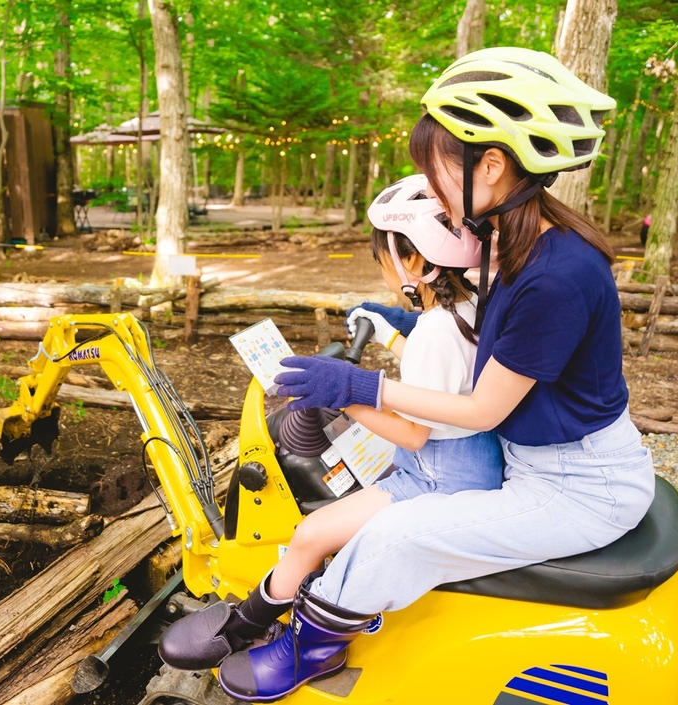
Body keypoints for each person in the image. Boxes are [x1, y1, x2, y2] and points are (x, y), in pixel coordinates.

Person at [214, 47, 655, 702]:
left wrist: (359, 387)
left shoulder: (553, 275)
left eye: (436, 169)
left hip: (576, 486)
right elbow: (481, 329)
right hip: (550, 462)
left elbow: (482, 409)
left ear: (494, 166)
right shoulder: (516, 244)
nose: (431, 187)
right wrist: (401, 316)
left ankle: (312, 644)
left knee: (399, 533)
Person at [157, 174, 504, 687]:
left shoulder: (435, 331)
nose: (384, 273)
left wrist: (345, 394)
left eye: (383, 262)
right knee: (324, 527)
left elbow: (412, 434)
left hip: (436, 477)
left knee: (311, 532)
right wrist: (387, 336)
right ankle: (265, 615)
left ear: (412, 262)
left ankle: (262, 627)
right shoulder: (468, 311)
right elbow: (442, 384)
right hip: (466, 463)